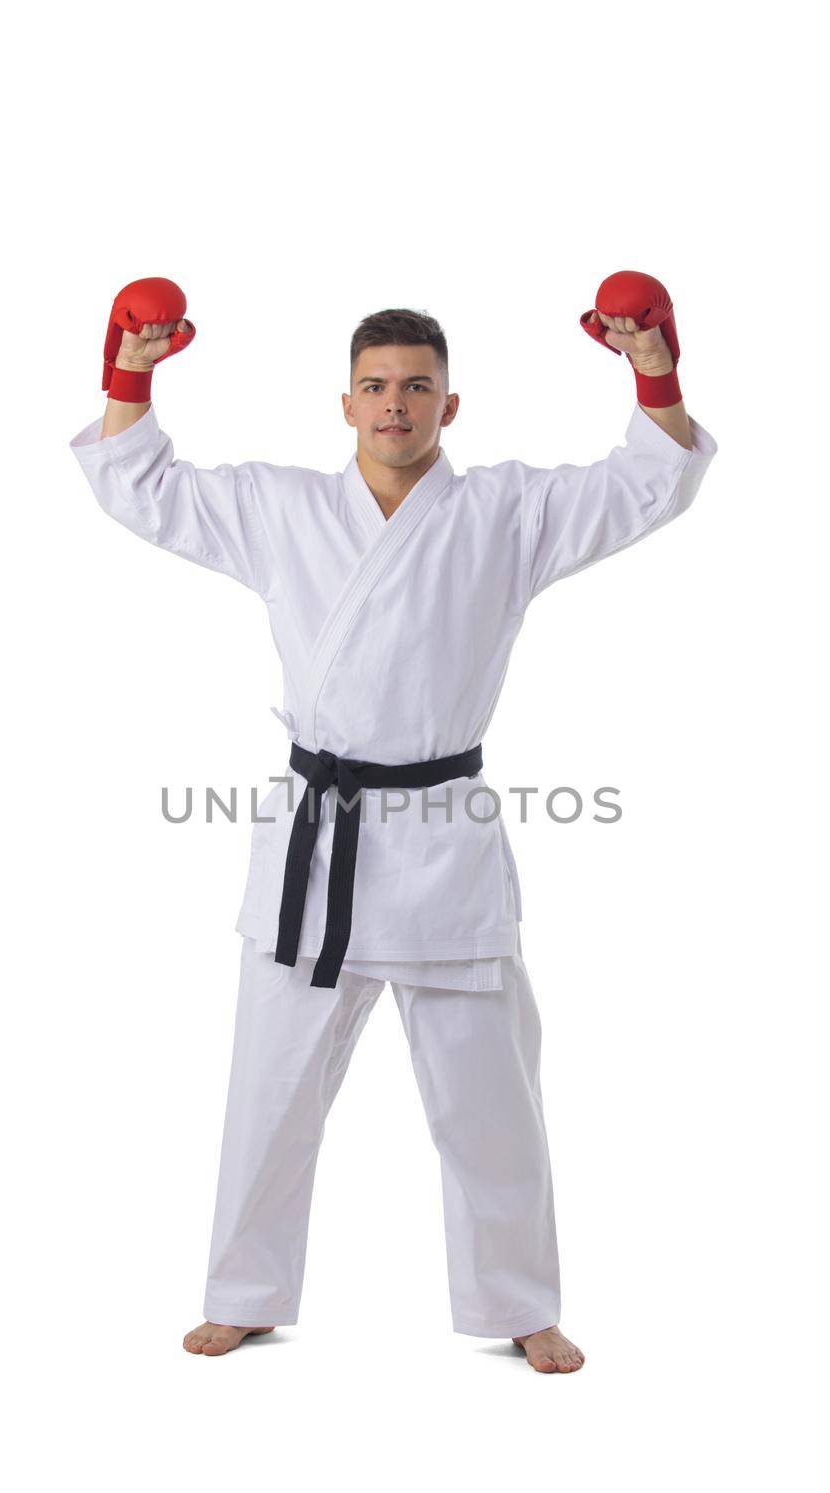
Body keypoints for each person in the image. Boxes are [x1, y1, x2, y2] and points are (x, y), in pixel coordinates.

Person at [69, 275, 717, 1374]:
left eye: (417, 387)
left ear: (448, 407)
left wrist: (650, 364)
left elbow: (648, 481)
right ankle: (243, 1291)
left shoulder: (506, 514)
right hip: (313, 845)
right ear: (345, 402)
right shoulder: (281, 510)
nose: (394, 405)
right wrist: (129, 365)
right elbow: (141, 485)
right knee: (268, 1088)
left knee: (486, 1097)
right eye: (375, 386)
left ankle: (518, 1303)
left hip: (441, 836)